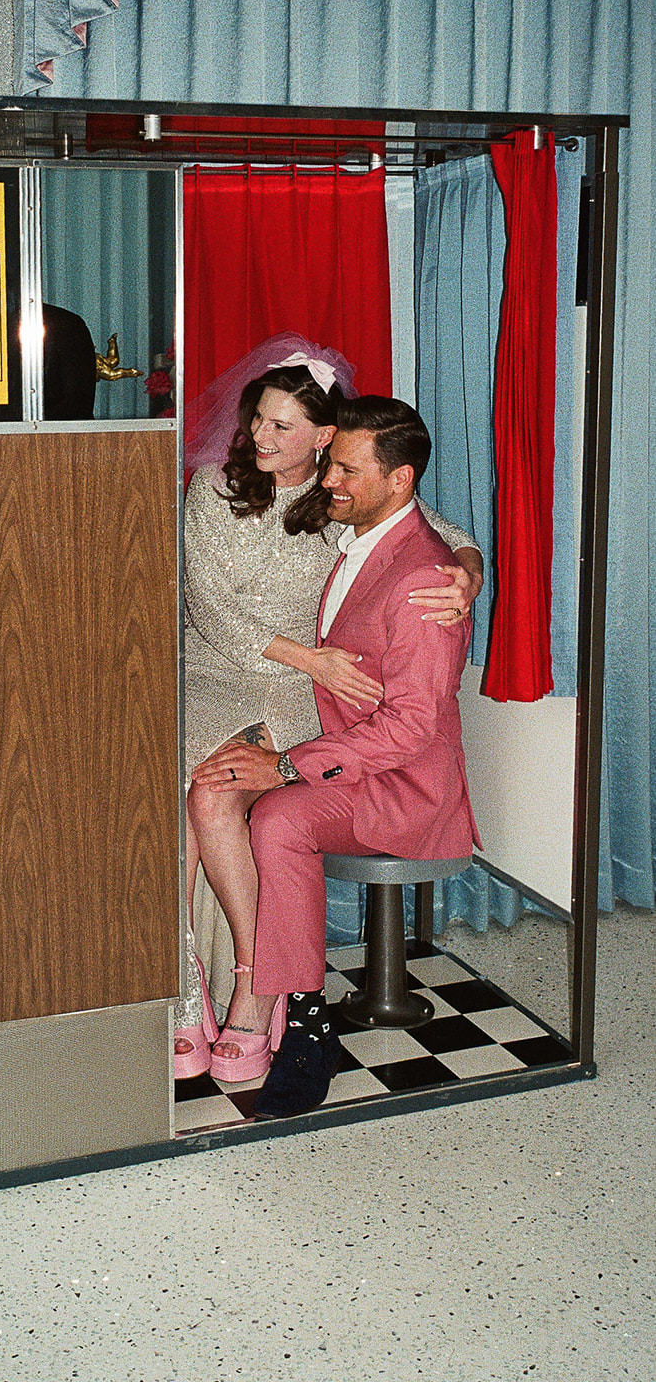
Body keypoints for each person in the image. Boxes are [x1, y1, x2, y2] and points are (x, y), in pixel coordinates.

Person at [177, 336, 482, 1081]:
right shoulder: (213, 488)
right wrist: (314, 656)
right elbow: (212, 613)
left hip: (296, 695)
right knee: (167, 803)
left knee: (218, 803)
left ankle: (257, 989)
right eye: (257, 419)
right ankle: (179, 992)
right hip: (214, 671)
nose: (258, 436)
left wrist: (468, 575)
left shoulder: (343, 496)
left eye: (283, 426)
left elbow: (443, 535)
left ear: (323, 438)